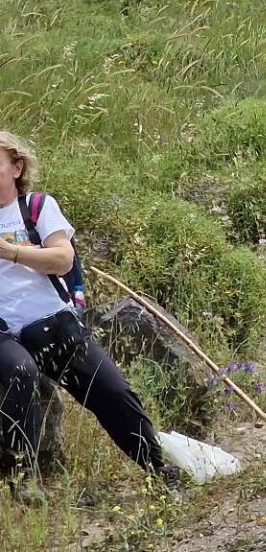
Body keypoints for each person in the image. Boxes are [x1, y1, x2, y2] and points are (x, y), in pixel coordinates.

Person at [0, 131, 171, 503]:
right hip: (2, 332)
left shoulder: (37, 207)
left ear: (17, 167)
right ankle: (22, 480)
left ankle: (160, 471)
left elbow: (62, 258)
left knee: (113, 392)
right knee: (19, 372)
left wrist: (12, 252)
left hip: (49, 320)